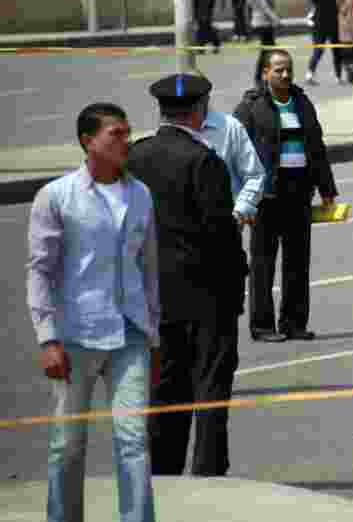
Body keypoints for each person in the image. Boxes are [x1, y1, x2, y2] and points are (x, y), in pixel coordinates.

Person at [28, 103, 159, 522]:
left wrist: (153, 339)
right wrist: (47, 338)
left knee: (134, 440)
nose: (127, 141)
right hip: (76, 336)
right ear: (89, 141)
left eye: (128, 132)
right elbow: (40, 271)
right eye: (116, 134)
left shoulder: (140, 194)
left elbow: (148, 270)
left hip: (131, 335)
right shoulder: (57, 196)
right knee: (66, 444)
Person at [126, 74, 248, 476]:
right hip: (207, 298)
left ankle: (162, 474)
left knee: (164, 390)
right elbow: (221, 235)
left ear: (161, 111)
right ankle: (208, 473)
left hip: (151, 297)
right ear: (198, 113)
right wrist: (238, 284)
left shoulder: (133, 157)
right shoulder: (203, 161)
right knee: (210, 387)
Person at [235, 49, 338, 343]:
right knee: (263, 262)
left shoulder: (302, 103)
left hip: (299, 192)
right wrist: (242, 191)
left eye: (289, 69)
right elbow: (235, 148)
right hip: (267, 195)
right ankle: (262, 325)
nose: (285, 75)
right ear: (266, 72)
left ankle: (293, 322)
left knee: (297, 261)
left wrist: (326, 189)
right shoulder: (252, 106)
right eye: (278, 70)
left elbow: (316, 148)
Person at [196, 98, 266, 227]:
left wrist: (240, 211)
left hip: (224, 225)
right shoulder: (168, 136)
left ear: (206, 98)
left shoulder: (230, 126)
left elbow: (254, 175)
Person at [305, 0, 342, 86]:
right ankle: (338, 76)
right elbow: (334, 7)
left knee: (318, 50)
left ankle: (310, 73)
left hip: (318, 23)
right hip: (331, 23)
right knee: (336, 50)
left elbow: (314, 3)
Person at [248, 0, 282, 85]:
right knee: (268, 51)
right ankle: (260, 77)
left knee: (268, 51)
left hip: (265, 23)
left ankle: (264, 76)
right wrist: (275, 19)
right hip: (261, 23)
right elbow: (264, 6)